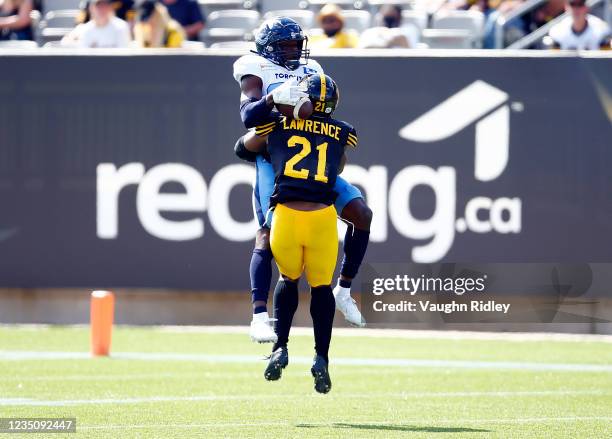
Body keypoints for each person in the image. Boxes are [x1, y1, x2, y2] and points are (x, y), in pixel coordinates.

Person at [232, 17, 371, 344]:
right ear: (268, 48)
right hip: (275, 158)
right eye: (286, 46)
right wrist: (272, 99)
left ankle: (344, 289)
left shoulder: (312, 69)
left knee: (362, 214)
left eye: (297, 45)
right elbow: (247, 118)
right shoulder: (255, 67)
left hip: (311, 155)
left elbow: (321, 110)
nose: (294, 51)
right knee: (267, 232)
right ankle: (258, 316)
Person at [236, 74, 356, 394]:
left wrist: (276, 105)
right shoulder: (343, 131)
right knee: (320, 288)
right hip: (321, 219)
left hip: (287, 217)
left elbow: (244, 146)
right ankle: (321, 358)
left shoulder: (275, 125)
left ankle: (281, 347)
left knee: (288, 279)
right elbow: (338, 165)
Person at [545, 0, 611, 50]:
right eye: (572, 4)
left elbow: (606, 61)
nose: (576, 9)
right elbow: (554, 62)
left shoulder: (602, 29)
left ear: (586, 7)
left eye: (580, 4)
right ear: (566, 7)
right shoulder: (557, 31)